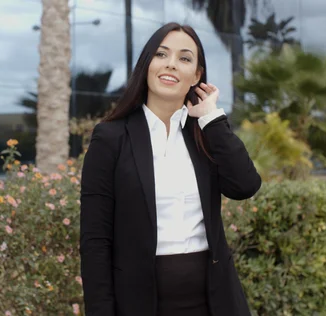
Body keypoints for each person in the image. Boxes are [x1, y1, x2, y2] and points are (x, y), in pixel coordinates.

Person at [79, 22, 261, 316]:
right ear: (147, 64)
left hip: (214, 302)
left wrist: (211, 118)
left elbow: (245, 186)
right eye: (162, 54)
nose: (171, 65)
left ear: (197, 76)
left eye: (184, 58)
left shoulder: (204, 133)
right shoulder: (111, 137)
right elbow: (95, 239)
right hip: (140, 303)